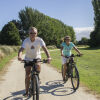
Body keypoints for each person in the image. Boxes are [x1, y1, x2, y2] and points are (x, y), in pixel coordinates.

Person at [18, 27, 51, 96]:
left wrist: (48, 57)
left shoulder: (40, 40)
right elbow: (21, 49)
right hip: (28, 58)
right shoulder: (26, 40)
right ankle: (26, 92)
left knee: (38, 66)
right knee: (27, 74)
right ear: (29, 34)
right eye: (31, 33)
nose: (33, 34)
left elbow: (45, 49)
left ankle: (37, 77)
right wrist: (19, 56)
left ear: (37, 33)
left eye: (34, 33)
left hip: (37, 57)